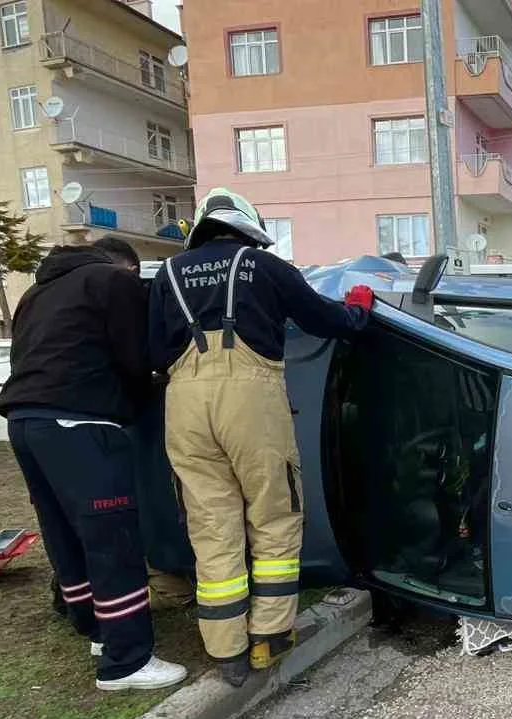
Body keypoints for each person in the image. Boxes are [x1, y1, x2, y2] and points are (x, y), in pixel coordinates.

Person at [149, 188, 372, 686]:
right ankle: (268, 637)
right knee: (273, 512)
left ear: (203, 228)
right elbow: (327, 319)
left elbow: (154, 350)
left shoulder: (167, 275)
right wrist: (358, 310)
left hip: (184, 402)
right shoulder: (264, 267)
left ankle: (225, 651)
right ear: (249, 228)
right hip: (250, 400)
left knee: (211, 523)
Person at [0, 237, 186, 691]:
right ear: (123, 266)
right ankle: (126, 661)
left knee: (65, 532)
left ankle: (96, 629)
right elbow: (136, 359)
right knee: (112, 536)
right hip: (80, 423)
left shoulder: (37, 292)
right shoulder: (110, 281)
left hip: (26, 421)